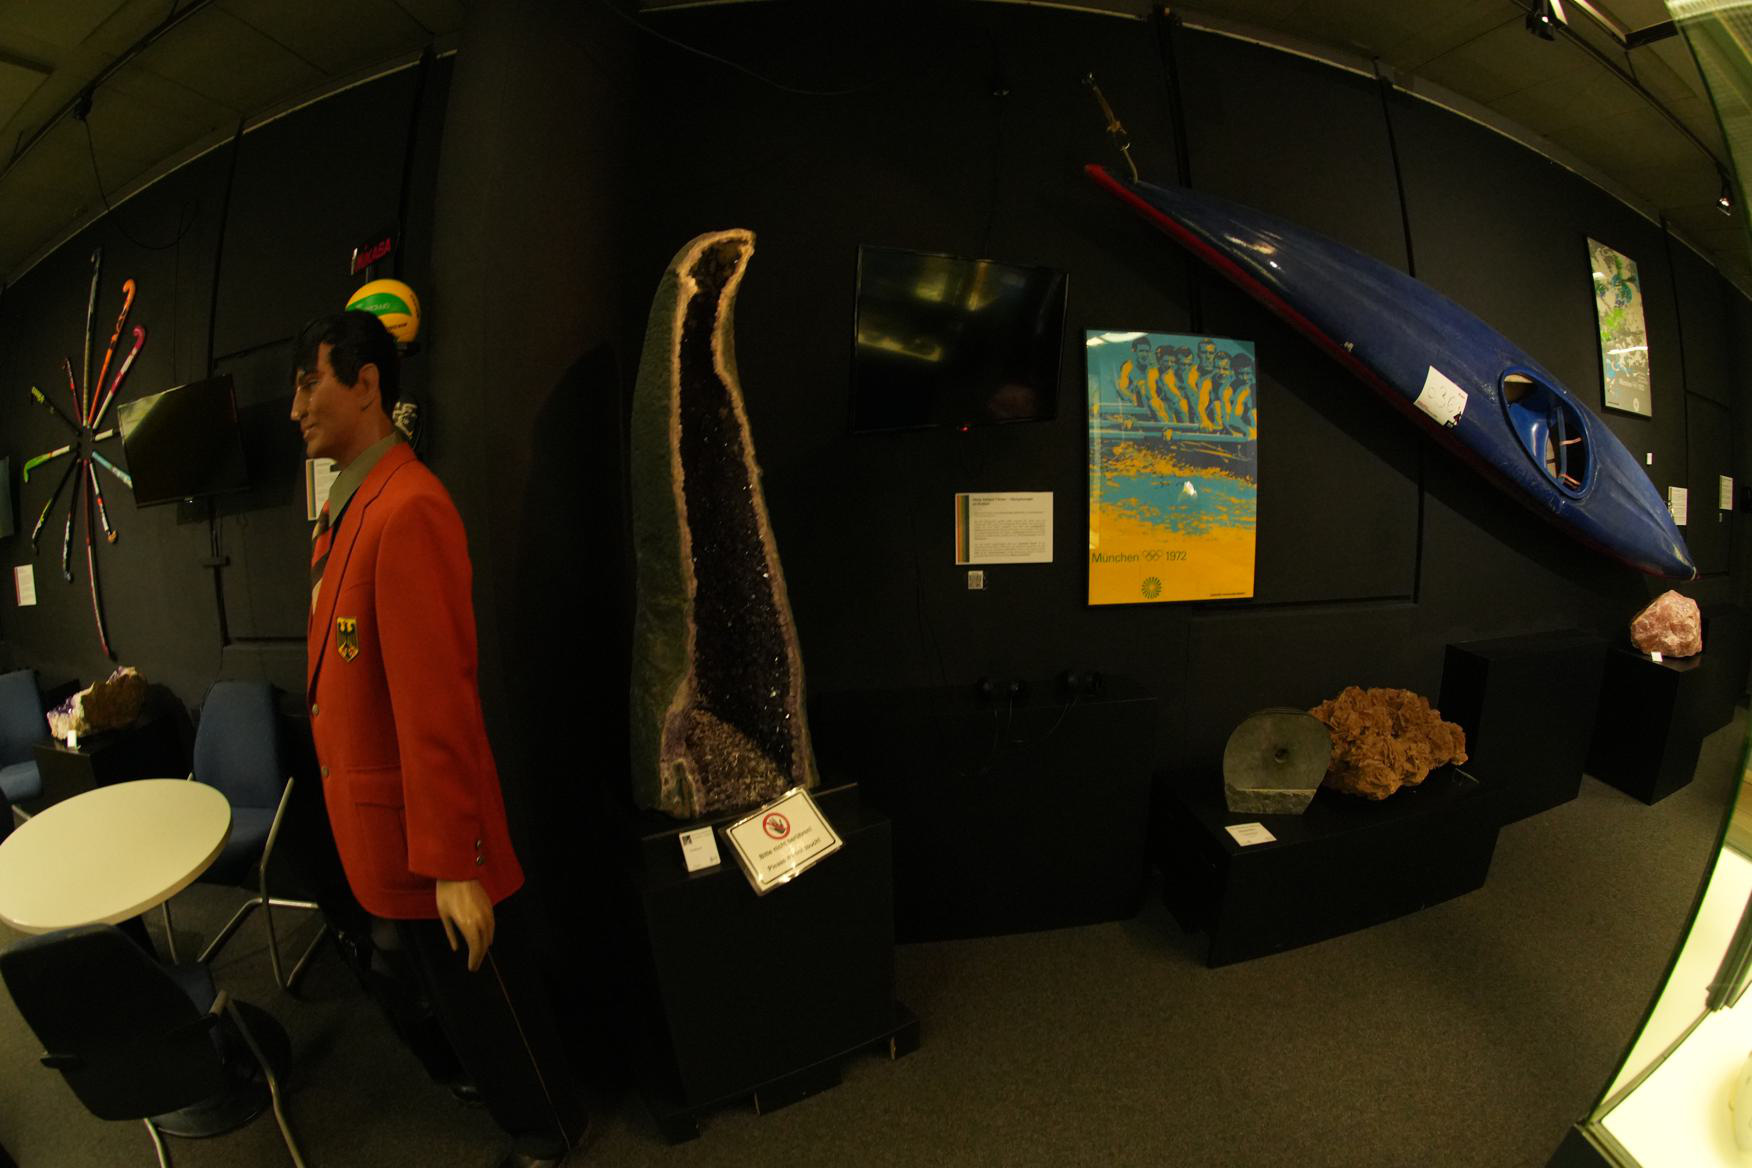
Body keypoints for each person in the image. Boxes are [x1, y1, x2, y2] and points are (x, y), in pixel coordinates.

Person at [291, 310, 584, 1168]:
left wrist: (458, 862)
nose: (296, 408)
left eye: (309, 383)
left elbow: (437, 700)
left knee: (491, 1002)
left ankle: (552, 1129)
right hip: (383, 826)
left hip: (429, 838)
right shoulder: (351, 510)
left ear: (366, 385)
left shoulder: (407, 507)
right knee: (452, 1003)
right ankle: (506, 1098)